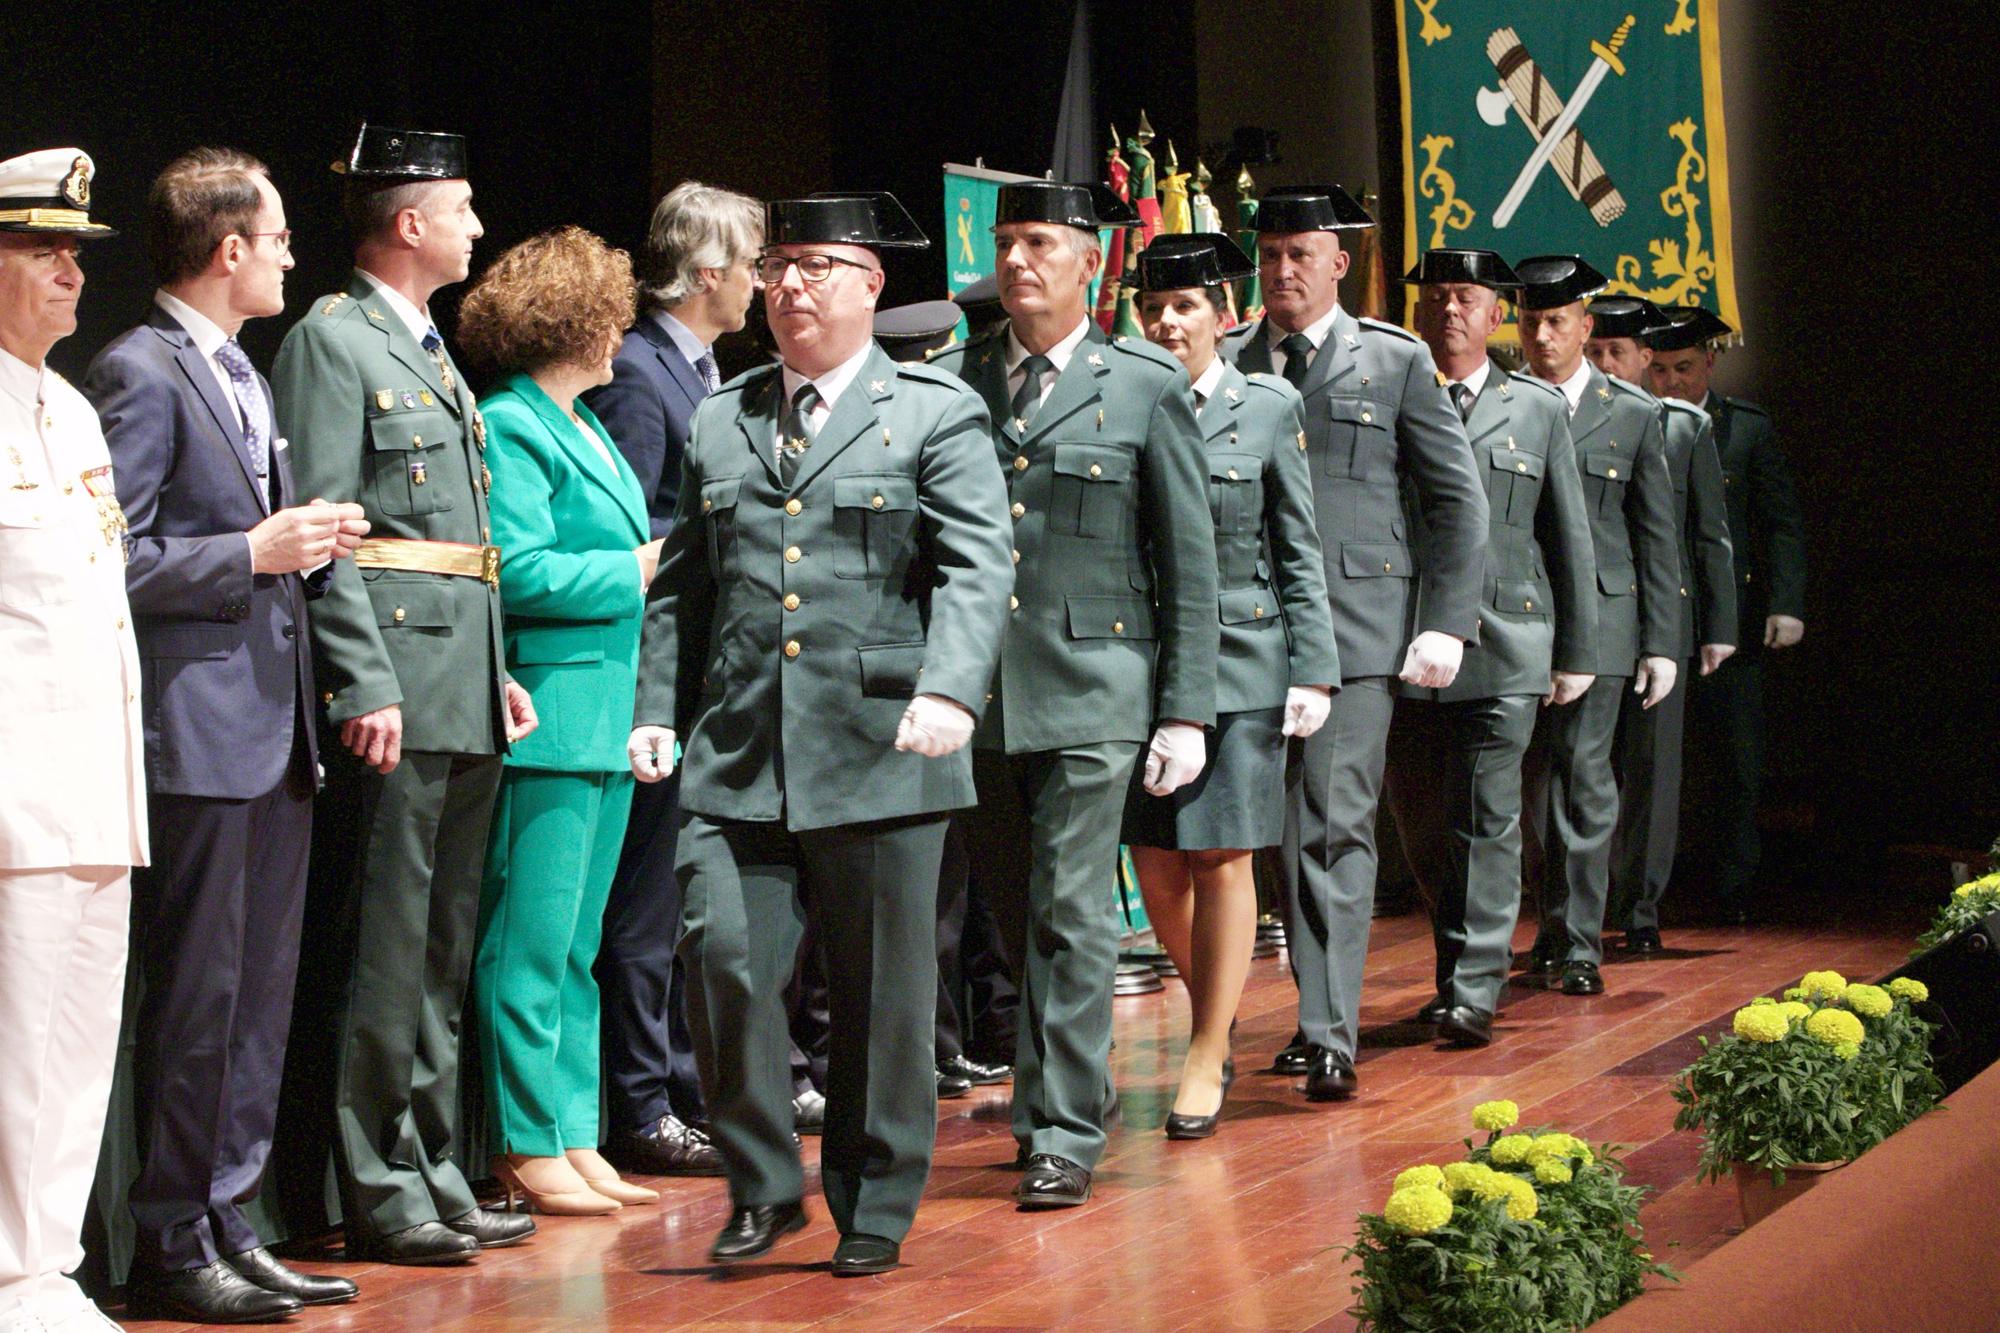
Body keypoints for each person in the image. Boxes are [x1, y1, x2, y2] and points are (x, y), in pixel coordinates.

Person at [626, 191, 1013, 1275]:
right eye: (779, 264)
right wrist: (656, 708)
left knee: (884, 998)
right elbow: (682, 589)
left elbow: (978, 568)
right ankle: (761, 1184)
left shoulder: (934, 411)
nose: (791, 285)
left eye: (819, 265)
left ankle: (874, 1200)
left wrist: (949, 689)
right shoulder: (722, 415)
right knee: (727, 969)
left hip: (884, 746)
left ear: (870, 285)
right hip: (743, 750)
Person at [81, 148, 367, 1322]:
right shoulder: (138, 372)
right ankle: (167, 1234)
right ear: (229, 247)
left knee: (258, 997)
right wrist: (249, 554)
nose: (294, 253)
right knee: (198, 1000)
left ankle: (229, 1219)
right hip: (196, 735)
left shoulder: (238, 370)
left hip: (270, 725)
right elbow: (115, 557)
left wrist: (303, 544)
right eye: (281, 234)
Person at [271, 123, 538, 1266]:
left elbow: (452, 540)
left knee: (440, 946)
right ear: (412, 221)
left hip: (457, 681)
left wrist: (496, 671)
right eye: (464, 207)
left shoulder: (422, 345)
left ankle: (432, 1158)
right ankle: (375, 1183)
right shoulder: (335, 343)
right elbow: (329, 531)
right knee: (386, 950)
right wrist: (359, 678)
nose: (478, 227)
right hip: (394, 684)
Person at [931, 180, 1218, 1207]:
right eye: (1006, 242)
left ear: (1089, 261)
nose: (1016, 261)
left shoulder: (1142, 383)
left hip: (1098, 684)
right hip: (982, 693)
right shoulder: (953, 379)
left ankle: (1053, 1129)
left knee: (1067, 909)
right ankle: (1076, 1081)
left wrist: (1187, 707)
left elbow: (1187, 560)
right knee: (1013, 915)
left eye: (1039, 242)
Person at [1220, 187, 1487, 1098]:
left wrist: (1447, 620)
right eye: (1270, 254)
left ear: (1341, 262)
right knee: (1272, 838)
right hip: (1248, 628)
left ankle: (1328, 1031)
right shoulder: (1226, 361)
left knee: (1332, 827)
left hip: (1359, 629)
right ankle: (1313, 1010)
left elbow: (1455, 498)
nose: (1283, 270)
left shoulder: (1395, 359)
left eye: (1302, 253)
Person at [454, 226, 659, 1217]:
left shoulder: (582, 422)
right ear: (572, 321)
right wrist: (638, 568)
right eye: (609, 317)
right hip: (548, 715)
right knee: (528, 941)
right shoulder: (511, 422)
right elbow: (517, 570)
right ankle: (525, 1139)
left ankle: (573, 1131)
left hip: (603, 716)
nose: (621, 335)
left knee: (576, 945)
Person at [1124, 233, 1335, 1136]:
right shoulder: (1123, 400)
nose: (1167, 323)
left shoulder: (1266, 405)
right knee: (1156, 859)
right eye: (1153, 308)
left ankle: (1206, 1045)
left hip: (1246, 655)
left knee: (1221, 852)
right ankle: (1219, 995)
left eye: (1185, 308)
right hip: (1144, 661)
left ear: (1222, 314)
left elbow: (1297, 543)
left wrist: (1315, 666)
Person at [584, 181, 762, 1180]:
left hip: (705, 684)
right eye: (749, 265)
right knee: (645, 904)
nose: (757, 283)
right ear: (707, 274)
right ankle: (641, 1103)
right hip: (650, 683)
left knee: (691, 899)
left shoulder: (697, 372)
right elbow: (632, 534)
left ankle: (689, 1084)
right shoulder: (642, 378)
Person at [0, 146, 146, 1333]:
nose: (69, 271)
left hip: (96, 779)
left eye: (77, 253)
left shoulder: (71, 403)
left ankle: (41, 1266)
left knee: (77, 1035)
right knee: (11, 1042)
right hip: (11, 785)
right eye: (42, 251)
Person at [1384, 248, 1596, 1049]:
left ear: (1496, 311)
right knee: (1426, 829)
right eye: (1436, 299)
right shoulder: (1386, 398)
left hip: (1507, 638)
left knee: (1490, 817)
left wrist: (1577, 649)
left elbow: (1567, 536)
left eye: (1466, 298)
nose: (1449, 312)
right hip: (1405, 642)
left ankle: (1475, 987)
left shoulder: (1535, 408)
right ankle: (1453, 970)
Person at [1513, 257, 1679, 997]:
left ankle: (1580, 938)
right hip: (1520, 614)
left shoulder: (1634, 414)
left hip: (1606, 619)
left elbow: (1656, 535)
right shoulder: (1503, 404)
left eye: (1557, 321)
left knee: (1584, 780)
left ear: (1586, 326)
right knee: (1526, 788)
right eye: (1530, 321)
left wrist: (1661, 641)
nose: (1543, 335)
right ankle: (1551, 924)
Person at [1583, 298, 1736, 953]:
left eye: (1615, 352)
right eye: (1596, 352)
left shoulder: (1679, 426)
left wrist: (1718, 624)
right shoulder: (1562, 418)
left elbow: (1709, 533)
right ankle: (1576, 907)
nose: (1603, 364)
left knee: (1652, 771)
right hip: (1589, 616)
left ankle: (1640, 907)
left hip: (1660, 617)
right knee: (1580, 768)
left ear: (1644, 357)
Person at [1647, 306, 1806, 924]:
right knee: (1655, 767)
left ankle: (1733, 888)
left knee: (1738, 761)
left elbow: (1781, 523)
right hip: (1661, 619)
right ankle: (1650, 891)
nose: (1671, 382)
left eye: (1684, 368)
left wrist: (1786, 603)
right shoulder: (1637, 423)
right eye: (1658, 369)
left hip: (1732, 620)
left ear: (1709, 363)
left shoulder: (1744, 429)